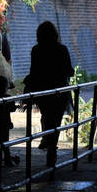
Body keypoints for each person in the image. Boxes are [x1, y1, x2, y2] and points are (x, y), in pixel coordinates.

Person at [24, 20, 75, 166]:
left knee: (46, 115)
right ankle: (52, 147)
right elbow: (69, 71)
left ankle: (47, 139)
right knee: (56, 120)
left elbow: (33, 71)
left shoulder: (36, 49)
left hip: (42, 90)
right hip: (59, 90)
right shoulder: (62, 49)